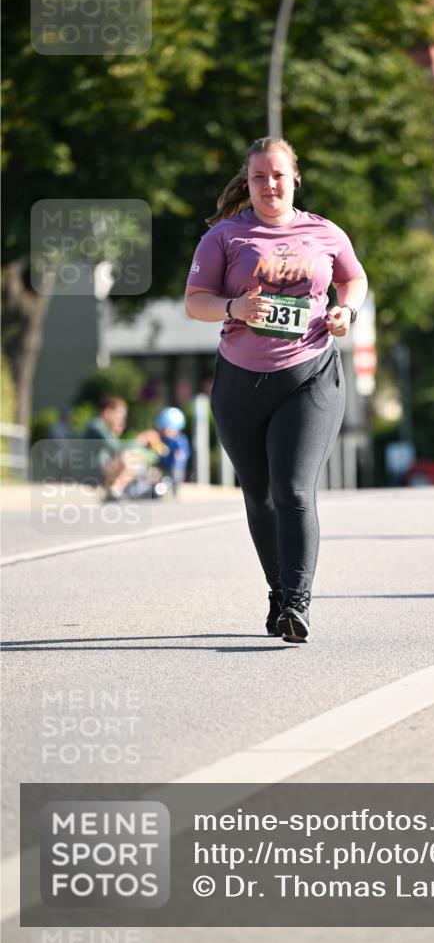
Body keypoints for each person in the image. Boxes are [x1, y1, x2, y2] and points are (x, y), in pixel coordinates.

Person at [185, 136, 368, 643]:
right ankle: (279, 593)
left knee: (292, 490)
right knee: (260, 498)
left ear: (295, 179)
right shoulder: (225, 237)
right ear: (248, 183)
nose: (269, 185)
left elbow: (354, 280)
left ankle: (298, 602)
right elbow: (195, 301)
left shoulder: (325, 232)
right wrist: (233, 308)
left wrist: (345, 312)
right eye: (260, 177)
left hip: (308, 375)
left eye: (278, 175)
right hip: (240, 382)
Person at [83, 396, 165, 501]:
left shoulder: (105, 428)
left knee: (137, 458)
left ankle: (116, 490)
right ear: (108, 411)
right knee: (129, 458)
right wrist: (141, 439)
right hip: (91, 471)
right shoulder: (97, 426)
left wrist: (154, 453)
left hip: (101, 470)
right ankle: (115, 490)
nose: (121, 420)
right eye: (119, 415)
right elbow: (118, 448)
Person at [155, 406, 191, 494]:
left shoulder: (179, 440)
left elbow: (182, 453)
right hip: (164, 463)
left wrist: (179, 456)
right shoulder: (163, 440)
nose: (165, 432)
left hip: (175, 465)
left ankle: (175, 490)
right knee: (158, 473)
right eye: (163, 429)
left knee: (176, 475)